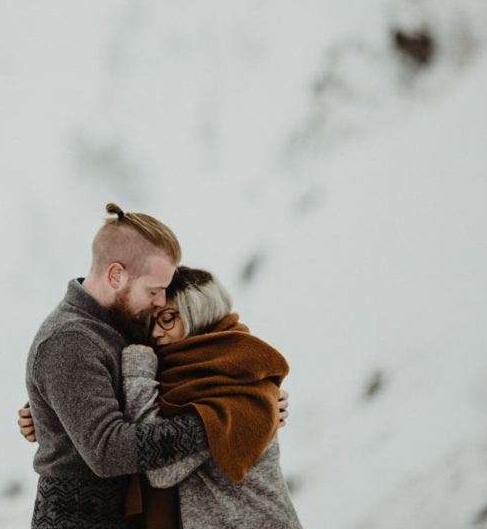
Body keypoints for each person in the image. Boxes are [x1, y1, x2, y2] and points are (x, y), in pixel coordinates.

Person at [24, 203, 212, 528]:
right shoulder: (69, 339)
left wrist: (251, 394)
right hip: (77, 519)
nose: (160, 301)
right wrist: (219, 424)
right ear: (116, 275)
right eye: (153, 290)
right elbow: (109, 451)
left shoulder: (120, 323)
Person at [121, 266, 303, 529]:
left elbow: (160, 467)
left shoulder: (234, 389)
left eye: (167, 318)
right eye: (152, 321)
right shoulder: (191, 377)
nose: (156, 332)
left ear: (197, 313)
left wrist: (138, 371)